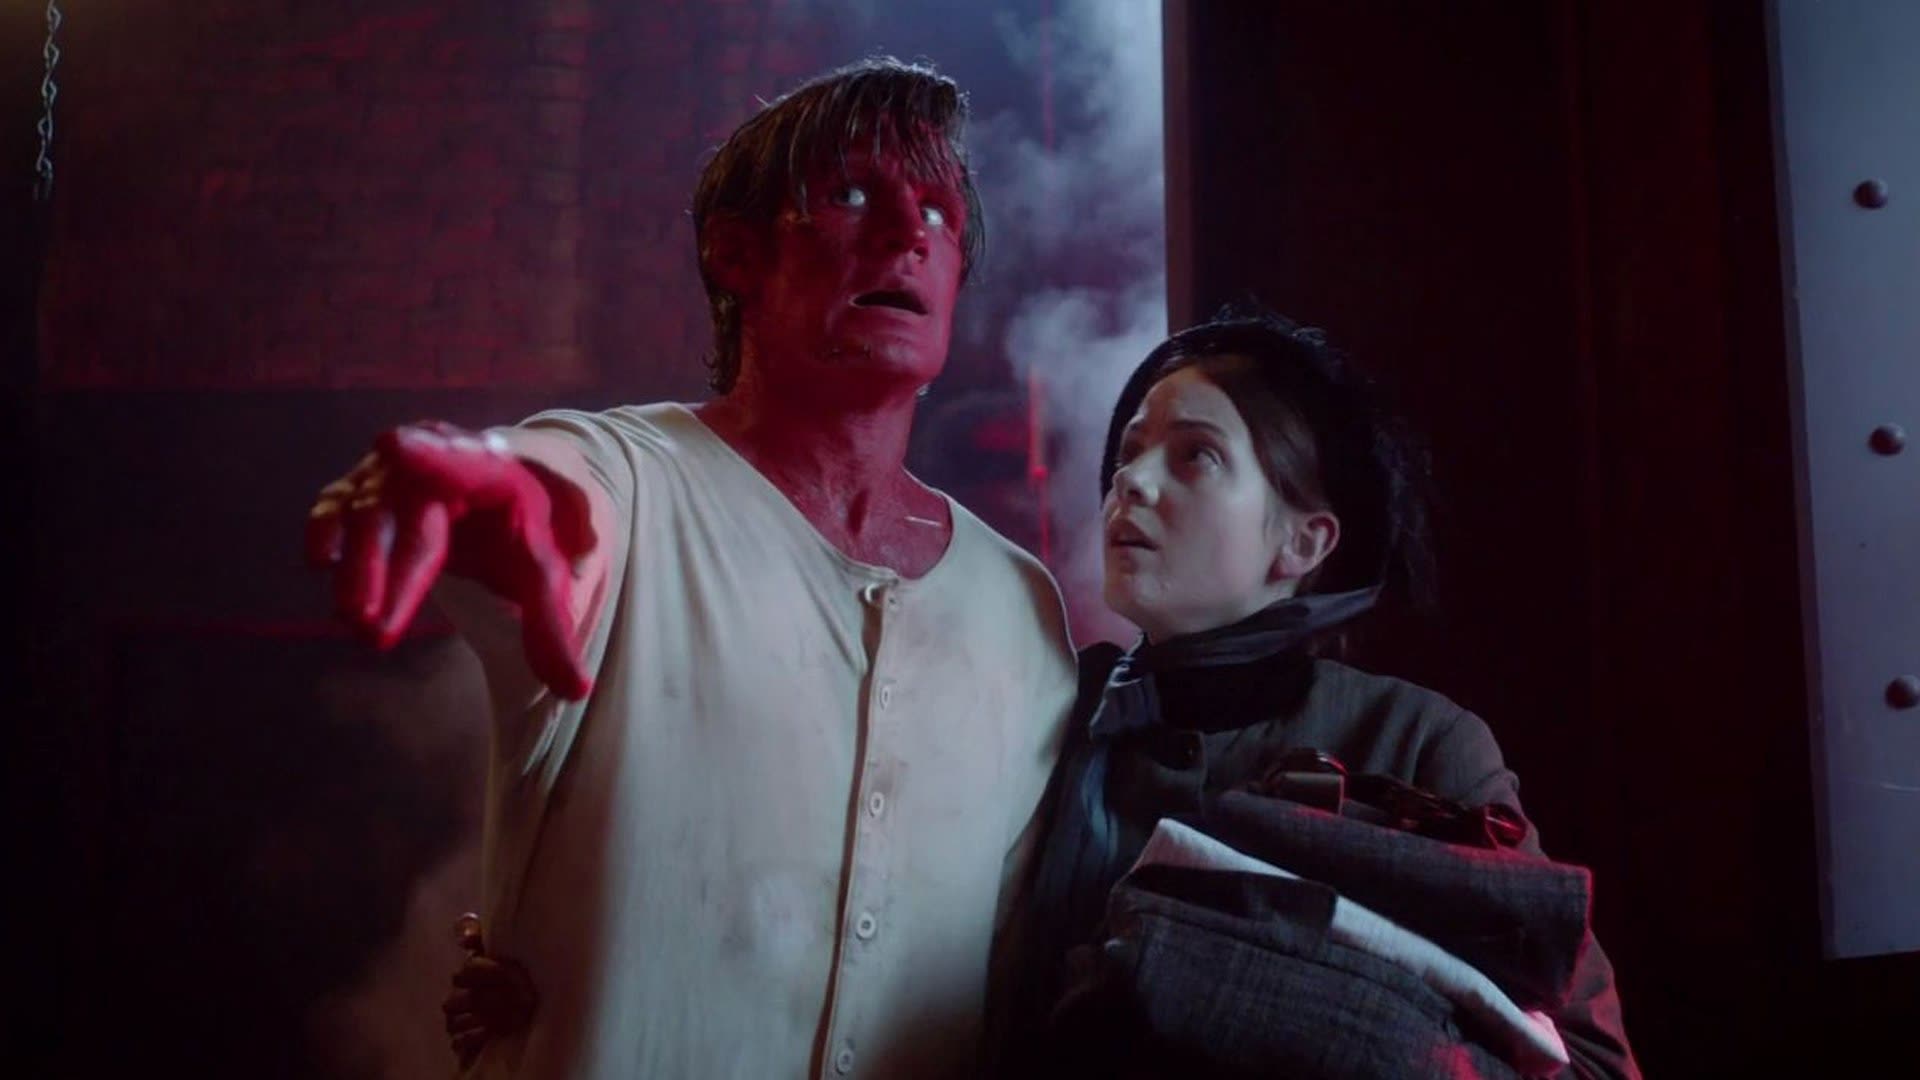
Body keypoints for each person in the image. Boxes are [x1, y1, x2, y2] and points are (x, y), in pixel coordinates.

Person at [305, 58, 1077, 1078]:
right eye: (852, 195)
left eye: (937, 209)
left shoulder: (1019, 608)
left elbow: (1018, 983)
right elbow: (555, 499)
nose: (908, 234)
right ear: (735, 253)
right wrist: (487, 482)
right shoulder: (633, 483)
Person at [1003, 307, 1640, 1077]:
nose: (1129, 481)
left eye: (1196, 454)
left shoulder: (1412, 741)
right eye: (1130, 451)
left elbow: (1591, 1062)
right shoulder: (1052, 715)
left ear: (1302, 541)